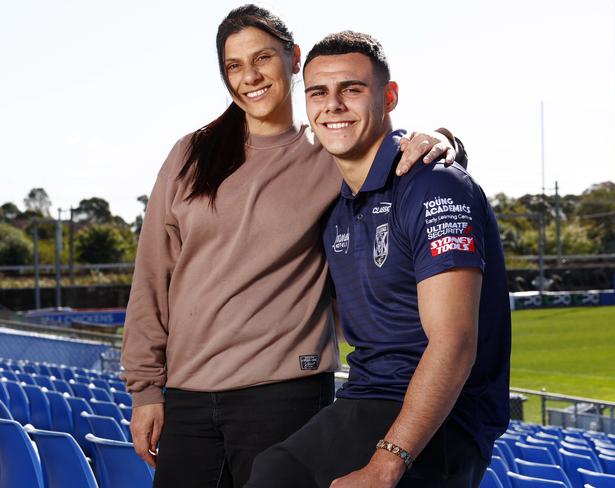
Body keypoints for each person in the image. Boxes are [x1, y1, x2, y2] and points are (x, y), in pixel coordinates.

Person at [120, 5, 468, 488]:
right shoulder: (191, 154)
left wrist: (443, 137)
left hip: (284, 395)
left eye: (262, 58)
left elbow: (383, 140)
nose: (250, 77)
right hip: (188, 399)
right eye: (234, 66)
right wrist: (144, 390)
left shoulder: (326, 151)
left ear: (294, 59)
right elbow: (152, 275)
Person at [245, 31, 511, 488]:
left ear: (388, 97)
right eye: (317, 93)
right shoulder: (333, 198)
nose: (333, 105)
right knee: (273, 471)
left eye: (351, 89)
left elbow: (455, 343)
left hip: (445, 416)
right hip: (367, 395)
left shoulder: (435, 183)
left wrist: (387, 462)